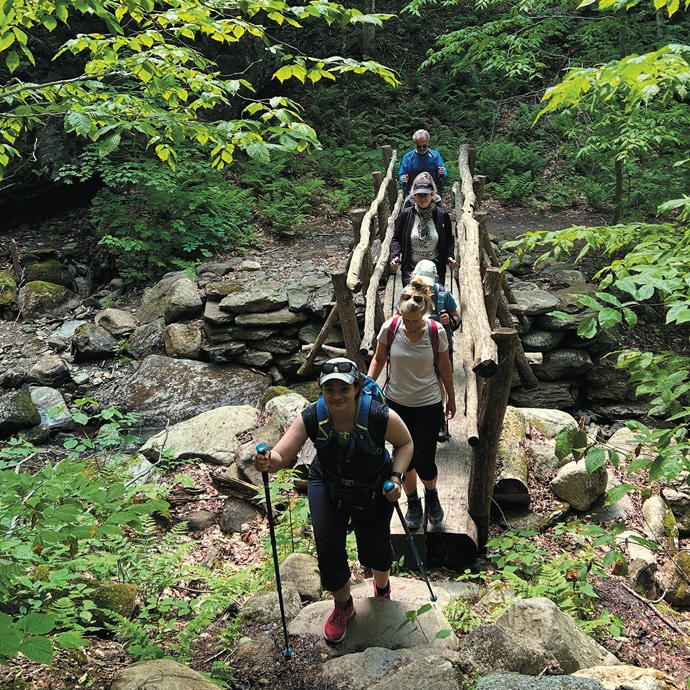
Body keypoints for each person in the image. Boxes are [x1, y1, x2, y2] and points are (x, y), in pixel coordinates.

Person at [253, 358, 413, 645]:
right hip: (327, 483)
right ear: (321, 389)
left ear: (356, 387)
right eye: (330, 389)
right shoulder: (312, 416)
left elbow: (406, 442)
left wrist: (397, 477)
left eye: (344, 388)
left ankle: (382, 590)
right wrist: (267, 460)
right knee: (328, 547)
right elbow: (280, 457)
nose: (337, 395)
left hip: (374, 484)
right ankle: (343, 606)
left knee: (375, 544)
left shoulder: (378, 415)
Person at [367, 279, 456, 532]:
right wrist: (367, 387)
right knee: (404, 460)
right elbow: (379, 359)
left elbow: (445, 366)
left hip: (429, 403)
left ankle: (432, 494)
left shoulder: (436, 331)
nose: (410, 325)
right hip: (396, 403)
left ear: (425, 312)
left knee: (425, 459)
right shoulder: (390, 328)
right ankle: (413, 501)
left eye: (415, 321)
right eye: (406, 319)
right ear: (399, 311)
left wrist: (451, 398)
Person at [411, 259, 461, 443]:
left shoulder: (443, 295)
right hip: (414, 346)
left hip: (440, 346)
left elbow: (457, 317)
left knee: (439, 380)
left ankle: (439, 418)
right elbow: (397, 317)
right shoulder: (407, 294)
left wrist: (451, 320)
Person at [390, 175, 458, 286]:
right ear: (414, 196)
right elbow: (396, 238)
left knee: (434, 296)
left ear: (432, 195)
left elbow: (449, 239)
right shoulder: (406, 214)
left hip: (435, 269)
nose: (422, 198)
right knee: (411, 297)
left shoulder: (442, 215)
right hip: (411, 269)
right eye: (419, 195)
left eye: (425, 194)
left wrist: (449, 256)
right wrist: (395, 256)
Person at [398, 129, 448, 197]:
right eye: (419, 146)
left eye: (424, 146)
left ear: (428, 143)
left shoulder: (435, 155)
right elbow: (402, 174)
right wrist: (403, 179)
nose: (422, 148)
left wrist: (442, 173)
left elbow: (443, 174)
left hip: (432, 191)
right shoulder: (408, 157)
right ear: (415, 144)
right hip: (413, 191)